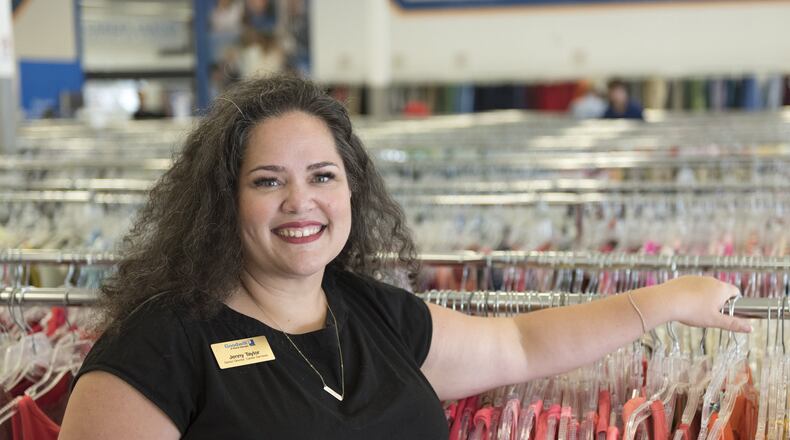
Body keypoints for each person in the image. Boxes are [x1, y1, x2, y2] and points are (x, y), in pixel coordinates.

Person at [59, 75, 749, 439]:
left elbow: (519, 343)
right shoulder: (158, 346)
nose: (301, 202)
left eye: (322, 176)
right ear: (222, 201)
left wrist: (667, 300)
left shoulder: (374, 314)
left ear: (351, 191)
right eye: (268, 182)